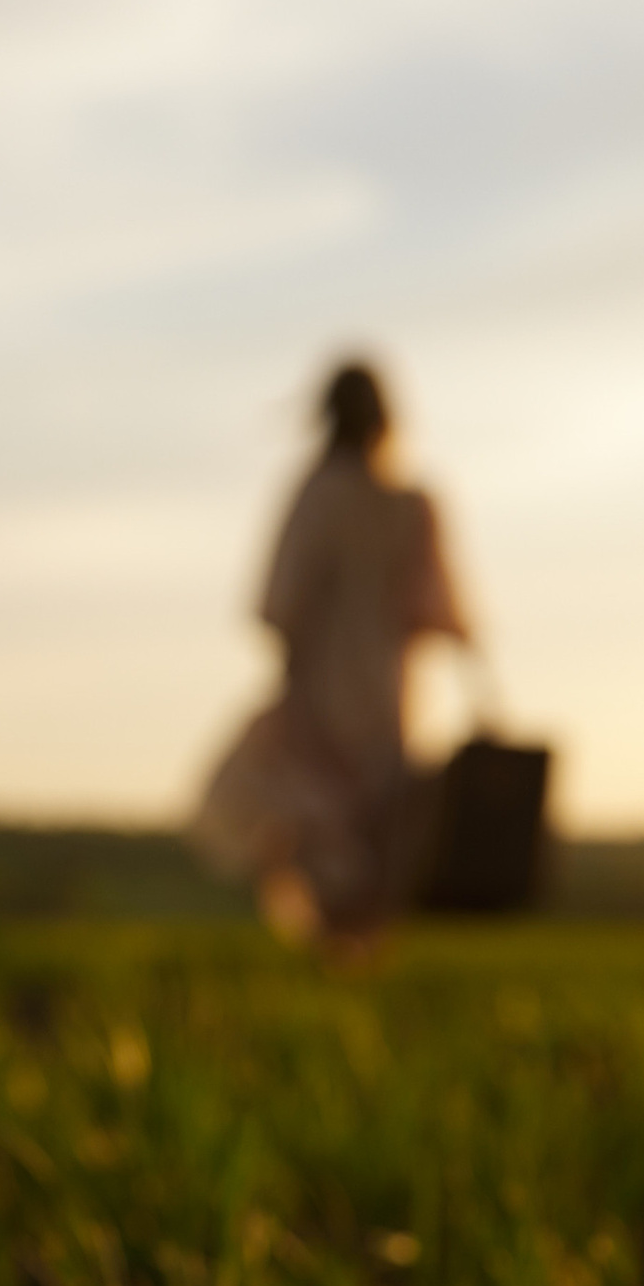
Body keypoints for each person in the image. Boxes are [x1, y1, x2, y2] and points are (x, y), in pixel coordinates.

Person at [192, 356, 475, 948]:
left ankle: (331, 957)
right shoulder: (411, 504)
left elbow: (281, 607)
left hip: (320, 695)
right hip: (389, 700)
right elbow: (442, 615)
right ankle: (359, 961)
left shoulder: (317, 495)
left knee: (312, 831)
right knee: (372, 838)